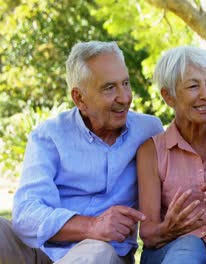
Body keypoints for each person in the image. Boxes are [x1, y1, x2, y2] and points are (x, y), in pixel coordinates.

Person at [0, 41, 164, 263]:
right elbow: (26, 213)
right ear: (79, 98)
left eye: (125, 83)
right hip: (42, 254)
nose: (124, 97)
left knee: (96, 253)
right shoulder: (49, 136)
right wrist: (92, 225)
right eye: (109, 88)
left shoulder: (148, 131)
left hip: (103, 254)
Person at [137, 46, 206, 264]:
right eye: (192, 86)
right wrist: (168, 228)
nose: (205, 95)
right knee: (188, 247)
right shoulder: (151, 151)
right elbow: (148, 233)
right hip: (170, 249)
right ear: (168, 96)